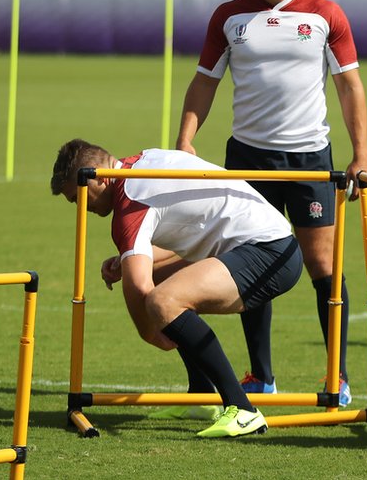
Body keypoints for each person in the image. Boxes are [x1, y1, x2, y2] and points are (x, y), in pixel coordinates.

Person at [175, 0, 367, 406]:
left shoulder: (326, 14)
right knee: (250, 261)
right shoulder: (229, 15)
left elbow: (349, 88)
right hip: (247, 158)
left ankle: (336, 376)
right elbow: (205, 81)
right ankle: (261, 376)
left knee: (323, 266)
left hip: (309, 160)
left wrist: (361, 154)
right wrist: (185, 141)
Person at [50, 139, 303, 438]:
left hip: (269, 252)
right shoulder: (141, 163)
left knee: (162, 302)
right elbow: (189, 230)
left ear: (101, 178)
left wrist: (149, 332)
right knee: (161, 294)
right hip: (263, 243)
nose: (81, 206)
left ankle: (244, 410)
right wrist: (126, 259)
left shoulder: (130, 204)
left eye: (78, 197)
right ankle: (200, 395)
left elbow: (138, 287)